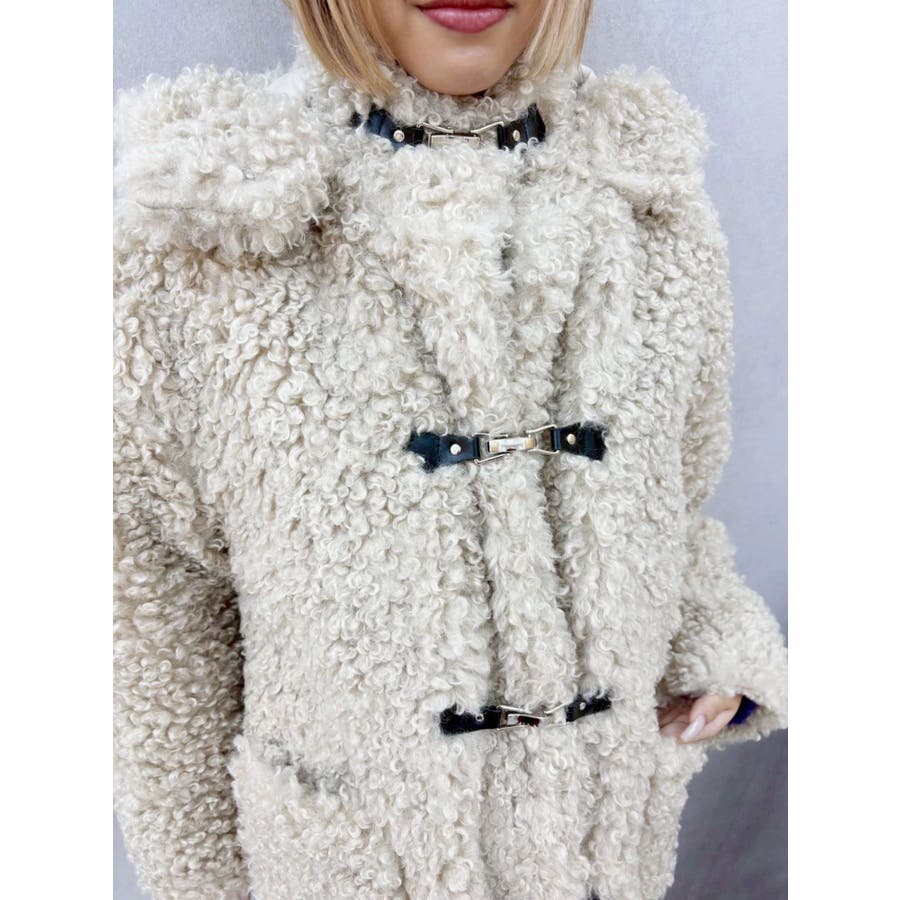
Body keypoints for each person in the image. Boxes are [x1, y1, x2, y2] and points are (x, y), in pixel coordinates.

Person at [112, 1, 788, 898]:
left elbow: (671, 507)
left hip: (600, 857)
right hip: (351, 868)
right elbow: (158, 628)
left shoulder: (647, 205)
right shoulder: (209, 231)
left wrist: (711, 646)